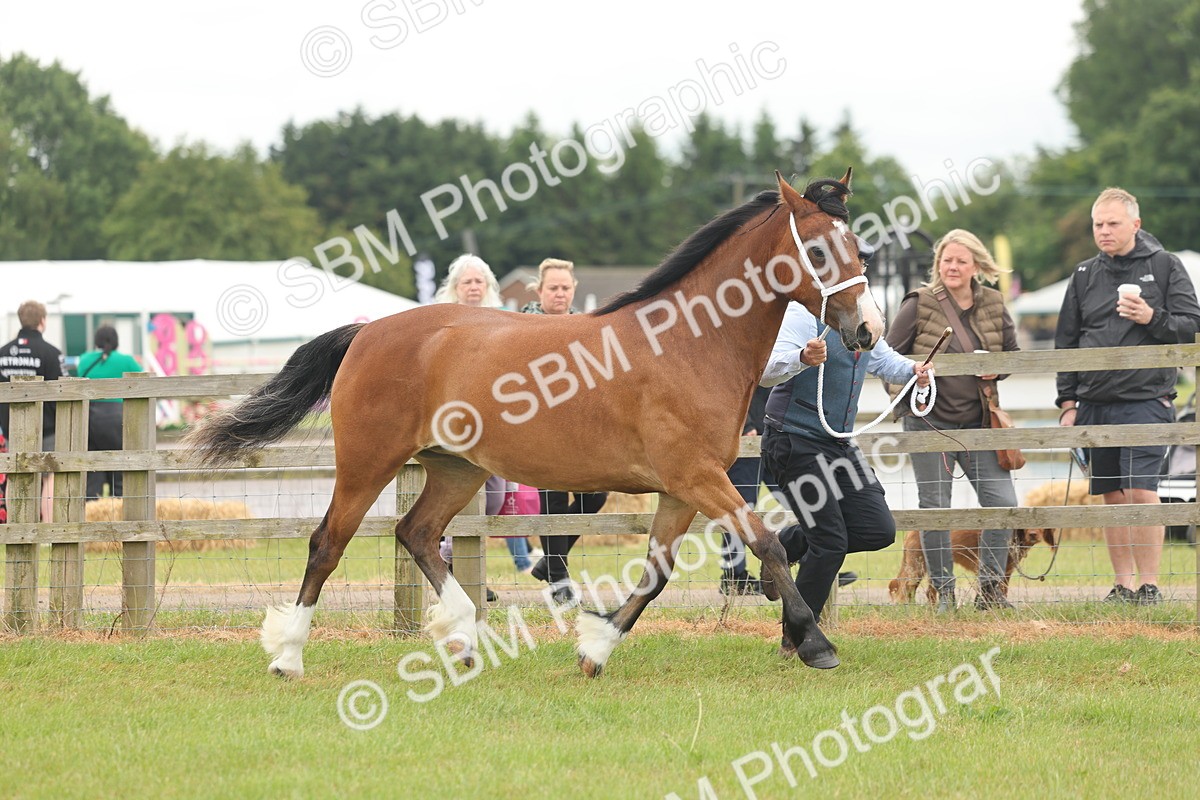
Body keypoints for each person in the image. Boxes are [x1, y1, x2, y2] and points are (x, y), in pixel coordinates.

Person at [1056, 187, 1200, 605]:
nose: (1104, 231)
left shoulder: (1165, 265)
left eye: (1112, 223)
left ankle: (1149, 585)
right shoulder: (1083, 275)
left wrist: (1151, 317)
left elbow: (1191, 325)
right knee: (1109, 495)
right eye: (1098, 224)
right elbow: (1066, 343)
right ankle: (1122, 585)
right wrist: (1068, 403)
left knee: (1140, 490)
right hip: (1094, 403)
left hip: (1145, 399)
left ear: (1135, 224)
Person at [759, 301, 931, 636]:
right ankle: (798, 636)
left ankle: (784, 546)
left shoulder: (865, 315)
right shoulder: (801, 314)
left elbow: (882, 360)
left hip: (838, 443)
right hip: (793, 439)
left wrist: (913, 370)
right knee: (830, 541)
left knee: (878, 530)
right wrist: (801, 358)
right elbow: (766, 369)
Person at [886, 229, 1020, 611]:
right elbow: (887, 358)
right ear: (938, 265)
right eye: (947, 260)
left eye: (961, 260)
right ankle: (943, 594)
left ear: (976, 265)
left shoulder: (994, 302)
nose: (953, 267)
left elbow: (1012, 354)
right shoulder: (919, 302)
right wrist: (910, 388)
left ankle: (991, 592)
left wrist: (995, 370)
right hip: (930, 425)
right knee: (935, 510)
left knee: (1002, 505)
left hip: (979, 426)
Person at [434, 255, 531, 599]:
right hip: (453, 421)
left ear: (488, 287)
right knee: (452, 497)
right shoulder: (442, 323)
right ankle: (459, 569)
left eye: (479, 282)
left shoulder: (501, 321)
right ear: (455, 288)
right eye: (467, 282)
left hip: (492, 424)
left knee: (497, 497)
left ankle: (450, 562)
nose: (473, 287)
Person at [522, 258, 607, 605]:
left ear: (574, 289)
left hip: (579, 426)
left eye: (565, 288)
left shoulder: (585, 326)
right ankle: (559, 580)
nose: (560, 293)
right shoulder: (522, 324)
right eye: (553, 288)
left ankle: (549, 562)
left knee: (595, 495)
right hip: (537, 423)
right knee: (553, 497)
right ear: (540, 291)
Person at [720, 386, 860, 596]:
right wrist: (745, 423)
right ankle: (734, 576)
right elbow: (732, 384)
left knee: (808, 504)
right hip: (750, 438)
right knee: (740, 510)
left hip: (775, 435)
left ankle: (818, 567)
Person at [0, 300, 65, 522]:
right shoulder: (52, 353)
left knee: (15, 475)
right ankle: (47, 529)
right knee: (49, 476)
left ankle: (14, 526)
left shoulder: (2, 353)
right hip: (46, 427)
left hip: (11, 426)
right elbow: (63, 390)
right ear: (42, 321)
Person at [77, 325, 142, 500]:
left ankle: (91, 514)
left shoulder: (84, 360)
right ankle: (119, 511)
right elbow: (146, 382)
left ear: (97, 341)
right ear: (116, 341)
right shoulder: (126, 361)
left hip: (89, 420)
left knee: (93, 469)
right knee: (120, 468)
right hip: (117, 420)